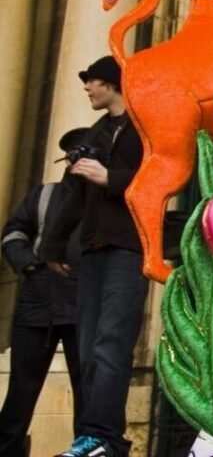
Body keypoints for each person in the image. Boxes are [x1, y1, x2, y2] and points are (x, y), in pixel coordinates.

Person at [41, 55, 147, 457]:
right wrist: (53, 246)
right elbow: (73, 196)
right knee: (87, 349)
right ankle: (98, 438)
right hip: (92, 251)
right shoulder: (97, 133)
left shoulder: (144, 126)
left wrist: (111, 178)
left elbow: (162, 176)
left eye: (94, 81)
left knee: (110, 344)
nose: (87, 88)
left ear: (113, 84)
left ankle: (102, 437)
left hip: (128, 248)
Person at [0, 128, 90, 457]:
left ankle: (86, 449)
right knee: (21, 389)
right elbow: (14, 232)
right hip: (38, 299)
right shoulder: (44, 194)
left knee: (88, 390)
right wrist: (28, 265)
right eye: (74, 153)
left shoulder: (103, 198)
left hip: (83, 301)